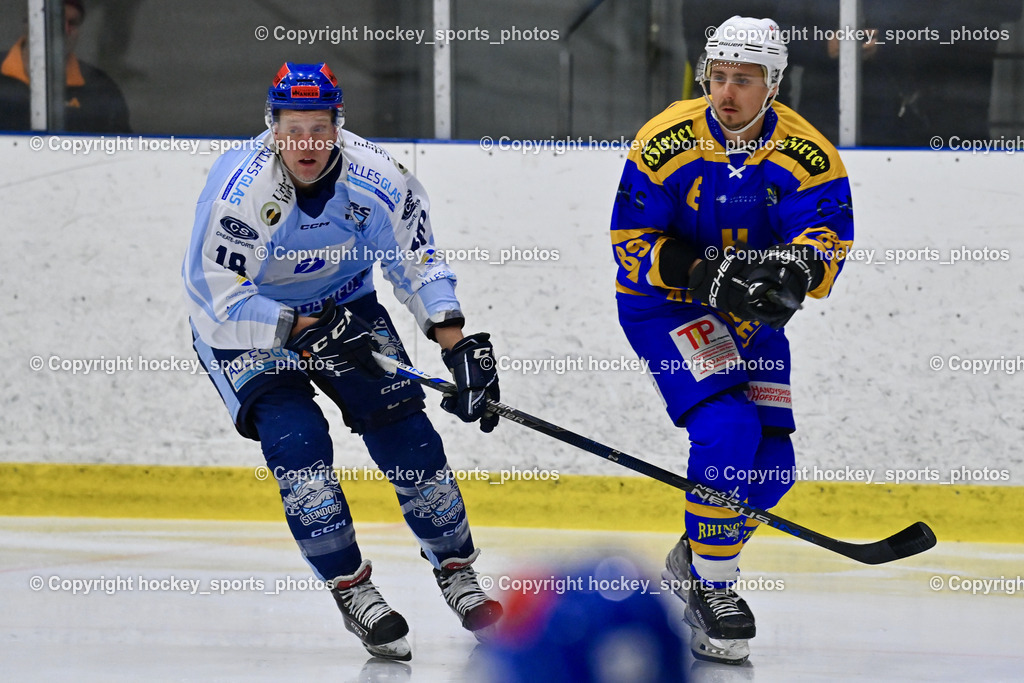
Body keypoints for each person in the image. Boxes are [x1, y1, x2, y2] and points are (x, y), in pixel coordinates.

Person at [182, 62, 502, 661]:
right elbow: (212, 295)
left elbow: (417, 259)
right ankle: (352, 587)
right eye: (292, 127)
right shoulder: (240, 191)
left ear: (338, 126)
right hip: (248, 327)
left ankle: (457, 571)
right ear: (272, 128)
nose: (306, 142)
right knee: (298, 446)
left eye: (319, 127)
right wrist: (301, 329)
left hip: (346, 304)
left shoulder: (379, 177)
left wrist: (455, 341)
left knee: (409, 437)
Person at [610, 16, 854, 664]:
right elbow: (631, 244)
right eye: (718, 76)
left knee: (773, 468)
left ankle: (696, 554)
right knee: (727, 431)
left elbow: (824, 245)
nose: (726, 93)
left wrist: (791, 274)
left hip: (748, 322)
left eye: (743, 80)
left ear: (773, 84)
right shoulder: (665, 140)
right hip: (667, 309)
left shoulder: (807, 153)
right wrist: (701, 273)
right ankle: (717, 589)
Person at [0, 0, 130, 133]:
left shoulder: (102, 90)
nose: (66, 30)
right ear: (29, 23)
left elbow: (123, 149)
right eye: (57, 21)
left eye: (73, 23)